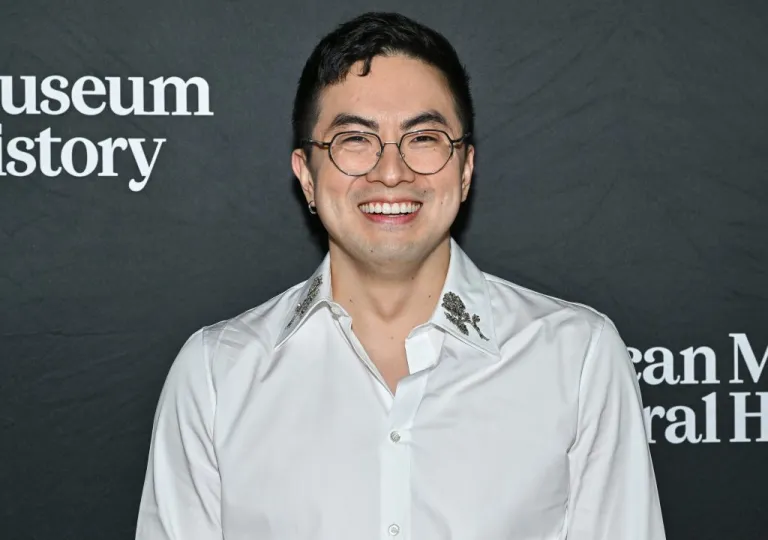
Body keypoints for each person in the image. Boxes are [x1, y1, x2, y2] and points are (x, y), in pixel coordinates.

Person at [135, 11, 666, 540]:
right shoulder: (216, 377)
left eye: (424, 139)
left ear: (464, 170)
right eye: (355, 141)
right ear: (306, 177)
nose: (391, 172)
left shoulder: (576, 361)